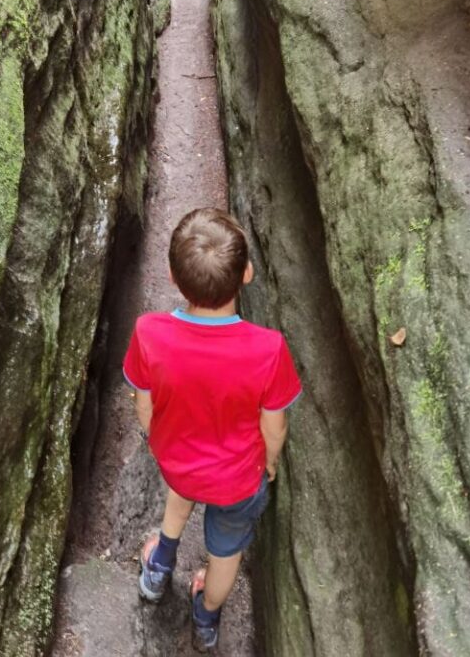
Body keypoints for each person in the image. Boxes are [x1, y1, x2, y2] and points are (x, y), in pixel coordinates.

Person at [122, 208, 301, 652]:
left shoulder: (149, 333)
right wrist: (270, 464)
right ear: (247, 274)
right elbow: (274, 427)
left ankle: (159, 566)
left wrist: (160, 445)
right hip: (238, 478)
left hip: (178, 460)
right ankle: (205, 618)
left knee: (181, 493)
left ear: (170, 275)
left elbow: (144, 405)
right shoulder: (268, 350)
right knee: (225, 554)